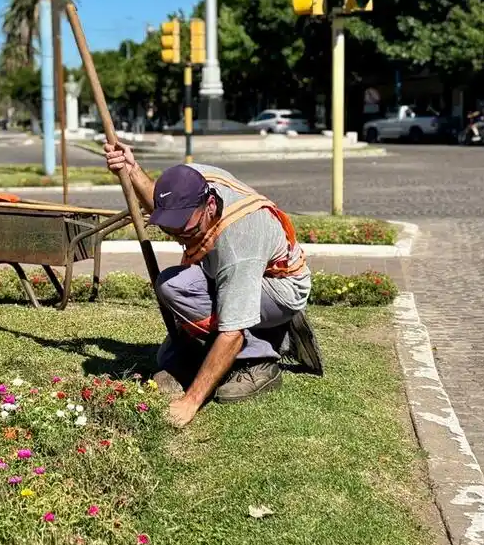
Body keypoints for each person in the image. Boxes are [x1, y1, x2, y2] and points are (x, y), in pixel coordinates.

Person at [104, 141, 324, 428]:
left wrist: (190, 401)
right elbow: (162, 204)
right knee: (173, 289)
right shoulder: (190, 181)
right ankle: (253, 337)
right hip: (238, 271)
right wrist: (132, 171)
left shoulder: (238, 245)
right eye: (171, 230)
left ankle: (262, 356)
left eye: (187, 231)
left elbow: (231, 332)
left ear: (209, 206)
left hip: (278, 288)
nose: (181, 239)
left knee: (218, 321)